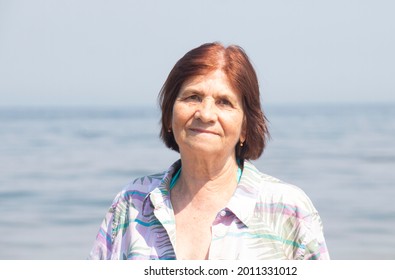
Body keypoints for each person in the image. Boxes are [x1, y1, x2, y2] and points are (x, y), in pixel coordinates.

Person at [88, 42, 330, 260]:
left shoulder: (289, 209)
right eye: (193, 97)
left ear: (245, 126)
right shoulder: (132, 203)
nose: (205, 114)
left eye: (224, 102)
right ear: (169, 116)